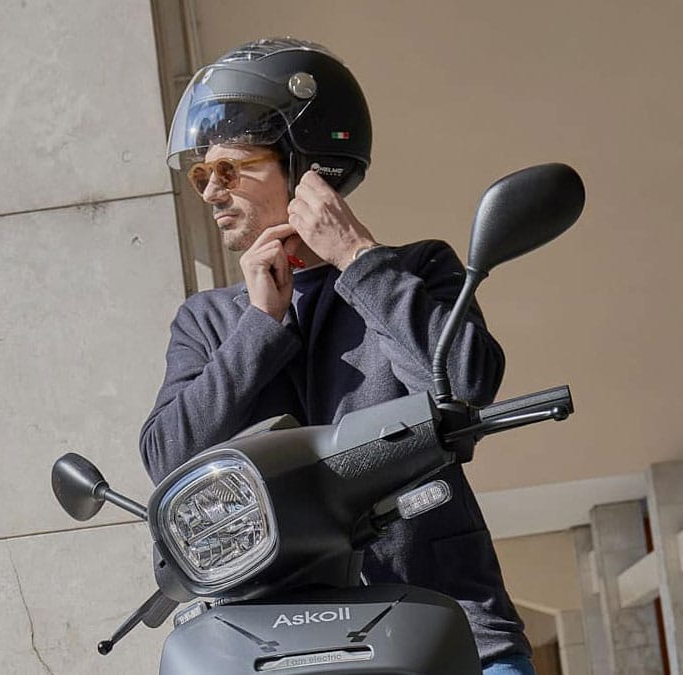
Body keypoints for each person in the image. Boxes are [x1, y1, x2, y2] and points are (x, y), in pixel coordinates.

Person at [139, 37, 535, 674]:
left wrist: (358, 259)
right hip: (265, 644)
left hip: (443, 623)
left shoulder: (414, 271)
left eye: (230, 170)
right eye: (200, 175)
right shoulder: (209, 321)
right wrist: (259, 323)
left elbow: (463, 380)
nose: (210, 192)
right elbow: (167, 457)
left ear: (306, 167)